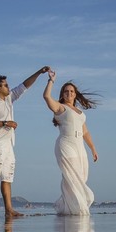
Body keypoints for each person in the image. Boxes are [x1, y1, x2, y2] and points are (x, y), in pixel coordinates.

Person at [0, 66, 50, 218]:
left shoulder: (9, 98)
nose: (8, 87)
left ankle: (9, 209)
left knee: (7, 176)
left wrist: (39, 72)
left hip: (8, 144)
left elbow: (25, 85)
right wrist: (6, 123)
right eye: (5, 85)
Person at [43, 71, 99, 216]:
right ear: (63, 94)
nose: (69, 93)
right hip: (66, 145)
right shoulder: (60, 107)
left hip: (79, 146)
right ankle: (78, 210)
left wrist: (92, 148)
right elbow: (46, 96)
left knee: (81, 177)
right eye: (66, 91)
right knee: (72, 176)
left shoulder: (80, 112)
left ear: (75, 94)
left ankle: (66, 206)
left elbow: (85, 132)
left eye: (72, 91)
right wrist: (51, 81)